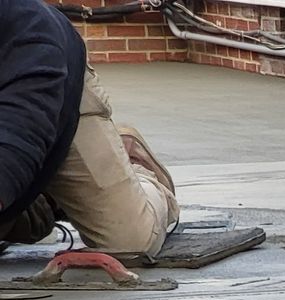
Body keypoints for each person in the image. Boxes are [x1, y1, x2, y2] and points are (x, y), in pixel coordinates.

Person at [0, 0, 176, 258]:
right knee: (18, 213)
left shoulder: (26, 29)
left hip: (53, 96)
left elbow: (21, 131)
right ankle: (50, 195)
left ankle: (137, 169)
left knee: (129, 240)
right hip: (19, 129)